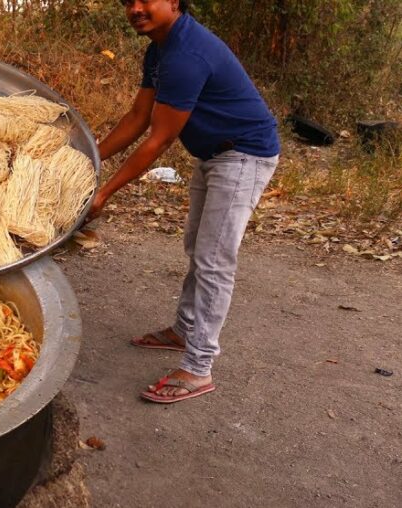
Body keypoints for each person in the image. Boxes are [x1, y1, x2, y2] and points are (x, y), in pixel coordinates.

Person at [89, 0, 280, 403]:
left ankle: (198, 368)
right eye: (129, 2)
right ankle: (184, 330)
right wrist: (87, 160)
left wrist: (104, 192)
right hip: (214, 154)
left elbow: (158, 139)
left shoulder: (187, 54)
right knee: (198, 247)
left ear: (174, 1)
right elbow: (139, 116)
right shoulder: (159, 48)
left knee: (214, 260)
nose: (136, 9)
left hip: (244, 155)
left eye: (146, 0)